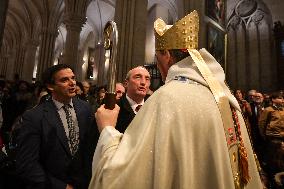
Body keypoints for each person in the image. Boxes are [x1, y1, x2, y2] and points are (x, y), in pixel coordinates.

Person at [89, 10, 262, 189]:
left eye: (157, 58)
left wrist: (107, 130)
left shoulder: (166, 98)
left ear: (167, 55)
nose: (157, 65)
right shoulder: (225, 98)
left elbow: (124, 177)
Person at [15, 64, 97, 189]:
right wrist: (61, 186)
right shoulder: (35, 117)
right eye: (64, 80)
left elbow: (90, 147)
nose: (72, 83)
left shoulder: (85, 108)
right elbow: (27, 163)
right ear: (50, 86)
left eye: (73, 78)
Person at [115, 67, 150, 133]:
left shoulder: (154, 106)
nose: (143, 82)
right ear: (126, 83)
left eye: (147, 79)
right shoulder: (115, 108)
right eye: (138, 77)